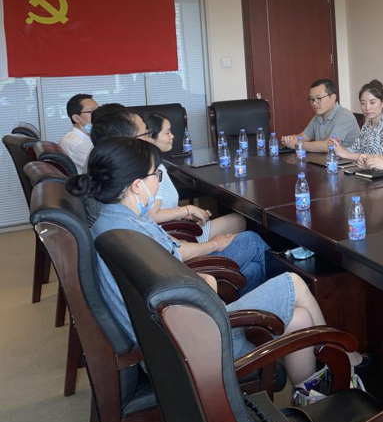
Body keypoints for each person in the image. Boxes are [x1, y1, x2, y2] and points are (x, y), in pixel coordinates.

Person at [66, 137, 364, 383]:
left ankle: (311, 391)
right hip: (191, 343)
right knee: (294, 282)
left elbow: (171, 276)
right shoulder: (129, 235)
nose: (158, 181)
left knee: (299, 319)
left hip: (169, 338)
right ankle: (346, 360)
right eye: (156, 175)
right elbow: (186, 285)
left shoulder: (112, 223)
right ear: (136, 185)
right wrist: (207, 280)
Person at [91, 106, 268, 294]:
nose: (148, 138)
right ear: (137, 185)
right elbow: (175, 255)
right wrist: (214, 243)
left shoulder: (116, 214)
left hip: (175, 269)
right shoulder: (131, 225)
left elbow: (167, 244)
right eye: (156, 175)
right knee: (253, 241)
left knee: (253, 269)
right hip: (184, 282)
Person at [141, 112, 246, 239]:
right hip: (173, 237)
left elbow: (162, 207)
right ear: (150, 138)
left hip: (175, 228)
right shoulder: (154, 171)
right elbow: (153, 215)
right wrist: (188, 209)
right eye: (167, 133)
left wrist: (188, 215)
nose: (172, 136)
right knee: (239, 221)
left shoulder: (150, 165)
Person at [282, 79, 360, 152]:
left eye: (318, 98)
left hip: (347, 161)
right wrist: (289, 140)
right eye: (312, 99)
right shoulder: (317, 117)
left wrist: (298, 145)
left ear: (333, 97)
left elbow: (329, 146)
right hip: (325, 159)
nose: (314, 103)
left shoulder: (345, 116)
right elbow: (303, 137)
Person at [332, 79, 383, 160]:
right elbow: (354, 150)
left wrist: (346, 154)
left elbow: (378, 159)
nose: (367, 107)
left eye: (372, 103)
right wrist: (339, 147)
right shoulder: (366, 126)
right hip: (366, 167)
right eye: (363, 103)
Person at [58, 93, 99, 174]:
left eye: (98, 110)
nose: (98, 114)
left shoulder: (87, 136)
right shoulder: (75, 143)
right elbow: (101, 168)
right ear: (76, 118)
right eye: (92, 112)